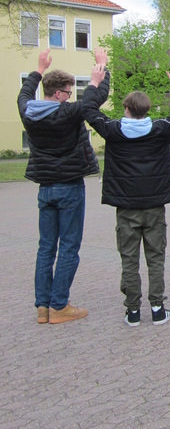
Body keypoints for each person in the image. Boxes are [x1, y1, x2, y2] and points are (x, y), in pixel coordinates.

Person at [82, 56, 170, 326]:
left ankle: (132, 311)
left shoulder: (112, 130)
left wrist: (99, 78)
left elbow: (88, 109)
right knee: (156, 258)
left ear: (126, 108)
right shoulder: (160, 129)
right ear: (147, 109)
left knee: (129, 259)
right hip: (154, 206)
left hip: (126, 209)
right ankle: (156, 308)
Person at [18, 48, 105, 324]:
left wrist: (39, 68)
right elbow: (95, 100)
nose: (70, 96)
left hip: (45, 189)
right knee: (68, 247)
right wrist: (100, 71)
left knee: (46, 247)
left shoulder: (28, 113)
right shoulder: (68, 114)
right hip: (69, 188)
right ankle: (59, 306)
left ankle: (43, 307)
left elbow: (23, 94)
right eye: (68, 92)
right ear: (58, 94)